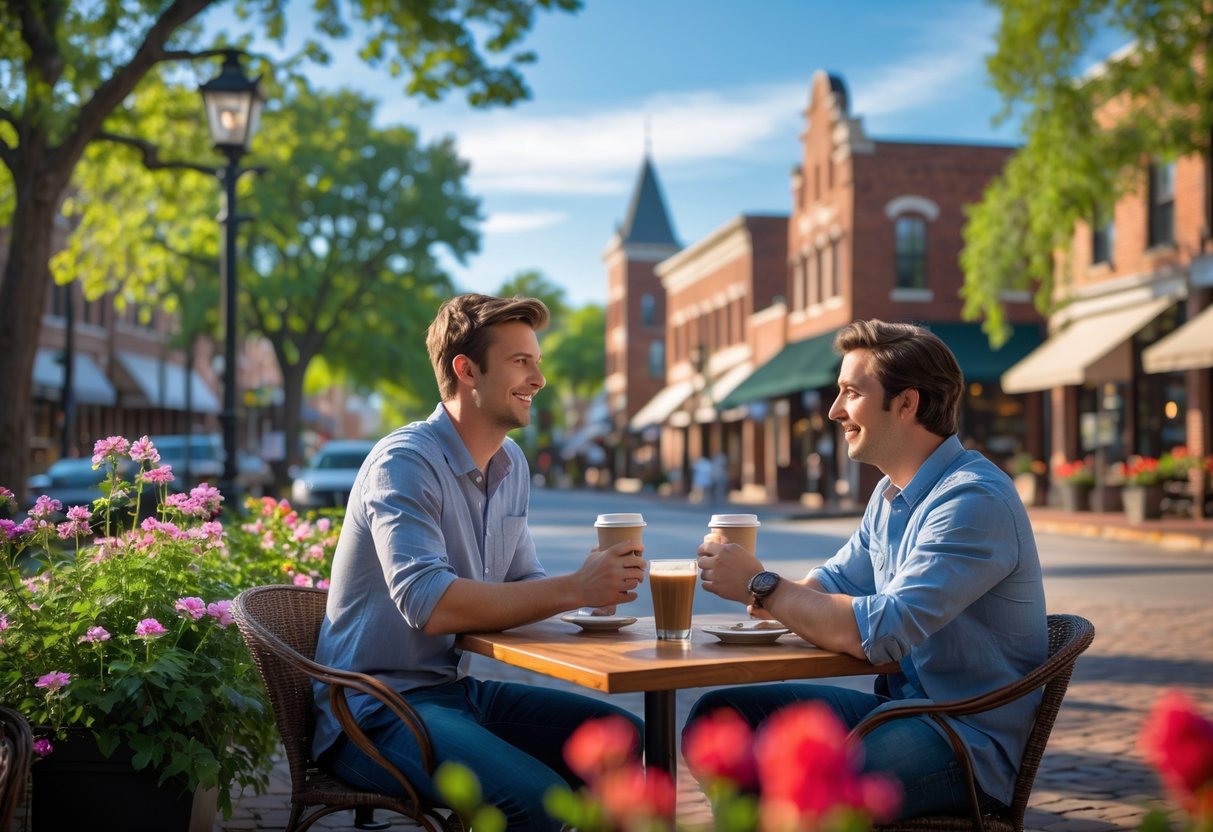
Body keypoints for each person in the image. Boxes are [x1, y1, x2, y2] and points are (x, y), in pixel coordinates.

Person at [686, 319, 1047, 820]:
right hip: (901, 711)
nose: (834, 411)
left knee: (806, 784)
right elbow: (834, 583)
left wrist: (762, 584)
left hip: (965, 736)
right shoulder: (891, 492)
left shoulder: (972, 499)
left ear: (906, 403)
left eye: (850, 393)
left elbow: (881, 631)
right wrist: (761, 592)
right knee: (720, 719)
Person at [313, 294, 646, 830]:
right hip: (373, 713)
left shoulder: (510, 463)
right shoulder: (404, 462)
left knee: (625, 742)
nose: (539, 379)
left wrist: (592, 600)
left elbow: (526, 584)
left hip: (454, 694)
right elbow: (429, 604)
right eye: (522, 361)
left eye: (537, 361)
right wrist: (575, 588)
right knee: (535, 799)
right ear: (466, 370)